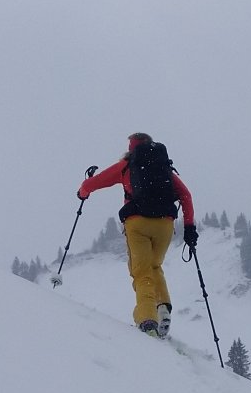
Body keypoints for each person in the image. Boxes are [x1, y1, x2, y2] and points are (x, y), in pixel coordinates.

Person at [78, 133, 197, 336]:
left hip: (137, 223)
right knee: (154, 265)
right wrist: (189, 228)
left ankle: (147, 320)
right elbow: (186, 195)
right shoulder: (164, 167)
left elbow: (92, 184)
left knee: (141, 272)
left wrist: (82, 193)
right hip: (165, 224)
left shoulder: (127, 165)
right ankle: (162, 308)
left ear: (131, 148)